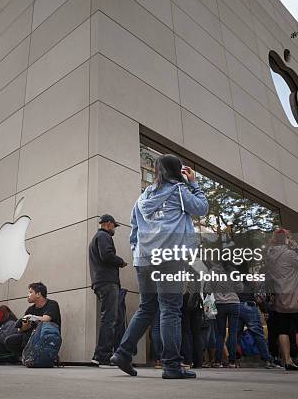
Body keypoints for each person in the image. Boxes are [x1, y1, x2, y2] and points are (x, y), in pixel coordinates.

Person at [112, 154, 208, 380]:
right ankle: (172, 365)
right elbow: (202, 208)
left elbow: (134, 228)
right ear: (176, 171)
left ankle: (123, 352)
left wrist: (138, 251)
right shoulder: (180, 191)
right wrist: (193, 182)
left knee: (147, 307)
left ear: (156, 171)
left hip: (144, 259)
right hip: (169, 256)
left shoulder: (143, 197)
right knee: (170, 309)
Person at [265, 228, 298, 371]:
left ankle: (287, 360)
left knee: (282, 330)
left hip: (280, 298)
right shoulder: (289, 254)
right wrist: (296, 248)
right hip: (295, 298)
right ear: (287, 239)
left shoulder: (270, 255)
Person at [88, 213, 127, 366]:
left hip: (101, 282)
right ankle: (102, 355)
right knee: (110, 319)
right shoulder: (104, 236)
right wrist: (121, 262)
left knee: (113, 318)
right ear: (108, 224)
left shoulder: (96, 238)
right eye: (114, 226)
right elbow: (107, 256)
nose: (114, 230)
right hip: (107, 282)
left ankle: (110, 354)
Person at [5, 282, 61, 357]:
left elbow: (46, 319)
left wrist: (32, 317)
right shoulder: (30, 309)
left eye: (31, 292)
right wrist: (26, 325)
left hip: (46, 336)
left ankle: (45, 356)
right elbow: (20, 330)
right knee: (9, 340)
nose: (28, 295)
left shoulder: (52, 304)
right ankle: (24, 357)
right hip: (31, 336)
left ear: (38, 294)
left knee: (31, 336)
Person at [238, 281, 275, 369]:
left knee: (235, 334)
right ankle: (267, 359)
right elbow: (259, 298)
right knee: (258, 334)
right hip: (249, 305)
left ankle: (231, 360)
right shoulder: (251, 279)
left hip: (235, 305)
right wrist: (264, 309)